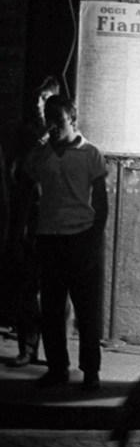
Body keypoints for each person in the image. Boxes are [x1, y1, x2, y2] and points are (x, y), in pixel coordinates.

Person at [19, 95, 108, 390]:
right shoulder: (42, 154)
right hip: (49, 239)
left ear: (72, 119)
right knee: (53, 310)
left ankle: (90, 370)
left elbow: (102, 204)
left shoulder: (91, 154)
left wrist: (93, 241)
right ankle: (58, 367)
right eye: (49, 118)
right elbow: (27, 183)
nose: (53, 125)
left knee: (86, 310)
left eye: (58, 119)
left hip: (81, 239)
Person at [4, 75, 60, 367]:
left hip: (54, 218)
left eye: (45, 99)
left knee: (51, 288)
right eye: (37, 99)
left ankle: (49, 351)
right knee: (27, 283)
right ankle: (27, 347)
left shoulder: (62, 137)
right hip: (30, 217)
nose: (39, 105)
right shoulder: (28, 134)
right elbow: (15, 171)